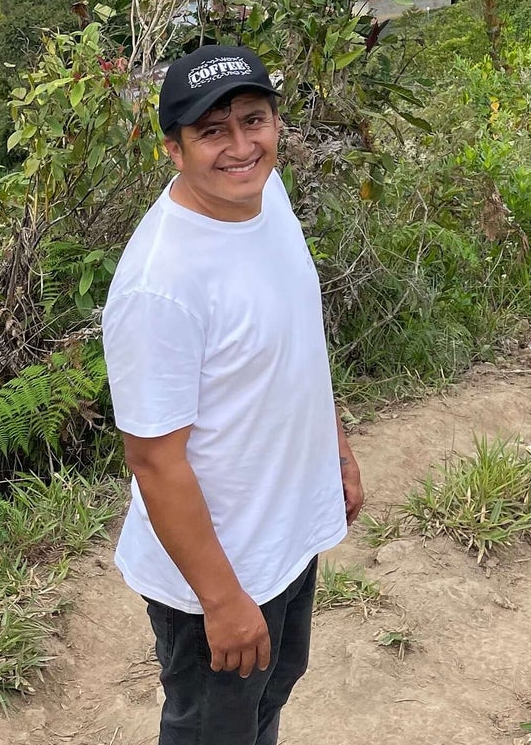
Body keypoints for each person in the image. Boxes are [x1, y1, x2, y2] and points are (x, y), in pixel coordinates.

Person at [103, 44, 364, 745]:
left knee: (269, 697)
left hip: (283, 533)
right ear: (174, 150)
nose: (241, 146)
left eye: (254, 120)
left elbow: (296, 338)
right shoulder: (162, 283)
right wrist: (220, 601)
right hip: (215, 576)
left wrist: (334, 451)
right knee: (213, 729)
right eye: (213, 132)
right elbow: (155, 461)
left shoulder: (263, 194)